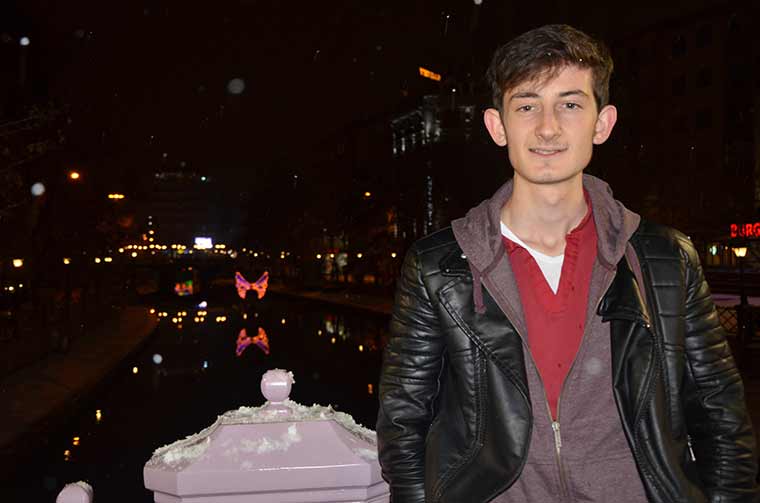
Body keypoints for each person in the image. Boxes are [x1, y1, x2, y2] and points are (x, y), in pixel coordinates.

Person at [376, 24, 759, 503]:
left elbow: (721, 415)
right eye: (527, 106)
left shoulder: (666, 258)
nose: (548, 127)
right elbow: (404, 420)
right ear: (497, 126)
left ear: (603, 123)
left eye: (571, 104)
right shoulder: (438, 265)